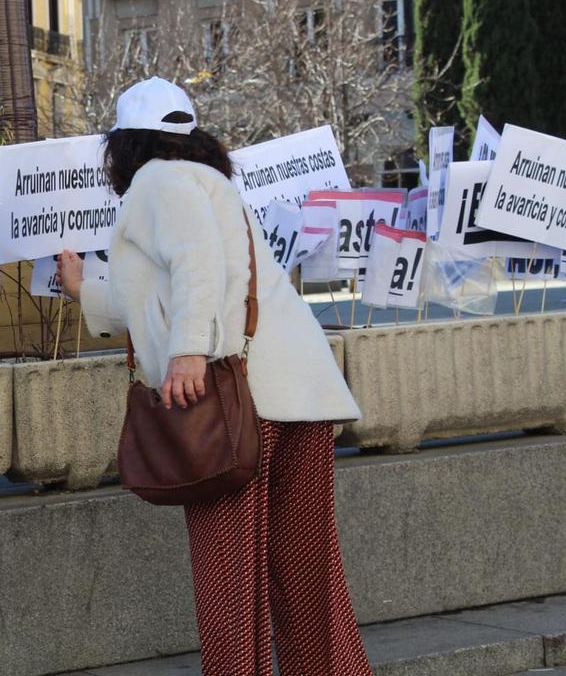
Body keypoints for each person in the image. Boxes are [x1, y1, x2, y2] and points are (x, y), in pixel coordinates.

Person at [56, 77, 373, 676]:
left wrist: (188, 355)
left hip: (233, 402)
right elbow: (171, 291)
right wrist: (84, 291)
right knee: (308, 570)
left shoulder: (156, 182)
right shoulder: (208, 182)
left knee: (232, 581)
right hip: (298, 394)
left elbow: (196, 263)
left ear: (125, 144)